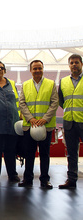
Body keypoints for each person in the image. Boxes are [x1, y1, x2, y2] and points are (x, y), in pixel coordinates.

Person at [18, 60, 58, 189]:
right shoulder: (25, 85)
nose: (37, 71)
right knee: (29, 153)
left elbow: (54, 103)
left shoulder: (51, 84)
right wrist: (30, 119)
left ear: (43, 69)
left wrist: (45, 119)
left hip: (46, 125)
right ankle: (27, 179)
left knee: (45, 154)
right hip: (30, 125)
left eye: (39, 68)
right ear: (30, 70)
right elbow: (22, 103)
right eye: (34, 68)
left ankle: (45, 179)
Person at [58, 54, 83, 189]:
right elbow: (61, 101)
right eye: (72, 63)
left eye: (76, 62)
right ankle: (71, 180)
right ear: (69, 65)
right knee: (71, 153)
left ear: (81, 64)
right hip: (69, 122)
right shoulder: (63, 81)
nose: (74, 65)